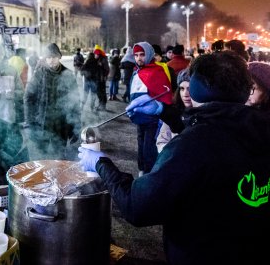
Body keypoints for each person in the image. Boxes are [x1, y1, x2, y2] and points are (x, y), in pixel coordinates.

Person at [78, 52, 270, 265]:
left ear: (197, 87)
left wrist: (100, 162)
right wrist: (162, 110)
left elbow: (137, 206)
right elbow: (218, 130)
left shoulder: (193, 145)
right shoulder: (259, 127)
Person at [24, 43, 81, 159]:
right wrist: (30, 122)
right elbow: (28, 97)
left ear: (59, 57)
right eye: (48, 57)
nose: (51, 60)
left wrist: (75, 126)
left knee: (59, 158)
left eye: (54, 57)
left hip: (61, 126)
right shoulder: (39, 74)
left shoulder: (68, 75)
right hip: (41, 125)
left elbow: (75, 102)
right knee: (42, 159)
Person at [129, 42, 172, 175]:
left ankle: (150, 173)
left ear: (148, 54)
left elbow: (166, 94)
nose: (138, 58)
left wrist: (160, 111)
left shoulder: (157, 71)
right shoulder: (136, 72)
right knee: (141, 145)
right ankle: (142, 170)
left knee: (149, 147)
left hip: (153, 119)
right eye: (136, 55)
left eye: (142, 54)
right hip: (138, 117)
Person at [156, 68, 192, 152]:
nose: (185, 94)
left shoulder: (204, 114)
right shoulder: (173, 112)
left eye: (189, 89)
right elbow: (161, 141)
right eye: (182, 89)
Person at [94, 45, 110, 110]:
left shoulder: (103, 60)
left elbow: (107, 69)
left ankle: (102, 105)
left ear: (98, 54)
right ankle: (101, 104)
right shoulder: (98, 60)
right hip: (98, 78)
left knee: (101, 92)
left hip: (101, 79)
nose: (95, 55)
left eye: (96, 54)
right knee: (99, 92)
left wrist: (104, 76)